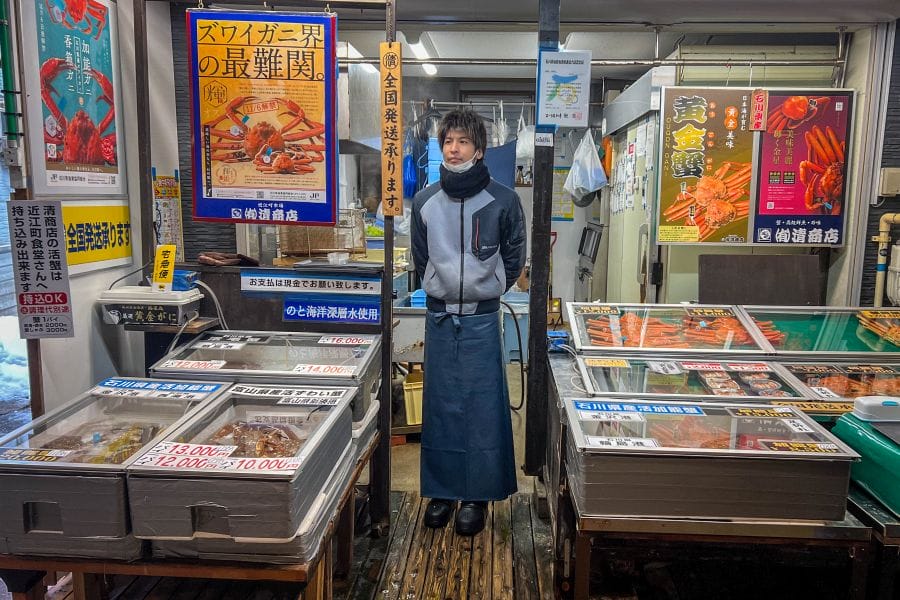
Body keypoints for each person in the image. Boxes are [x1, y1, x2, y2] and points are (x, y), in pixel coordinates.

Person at [410, 109, 526, 536]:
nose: (453, 149)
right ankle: (441, 492)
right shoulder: (424, 201)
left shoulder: (504, 200)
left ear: (479, 149)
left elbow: (514, 258)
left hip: (481, 319)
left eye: (462, 142)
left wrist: (488, 285)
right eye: (448, 142)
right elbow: (421, 258)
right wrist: (440, 285)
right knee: (440, 407)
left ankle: (476, 496)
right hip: (439, 318)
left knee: (481, 409)